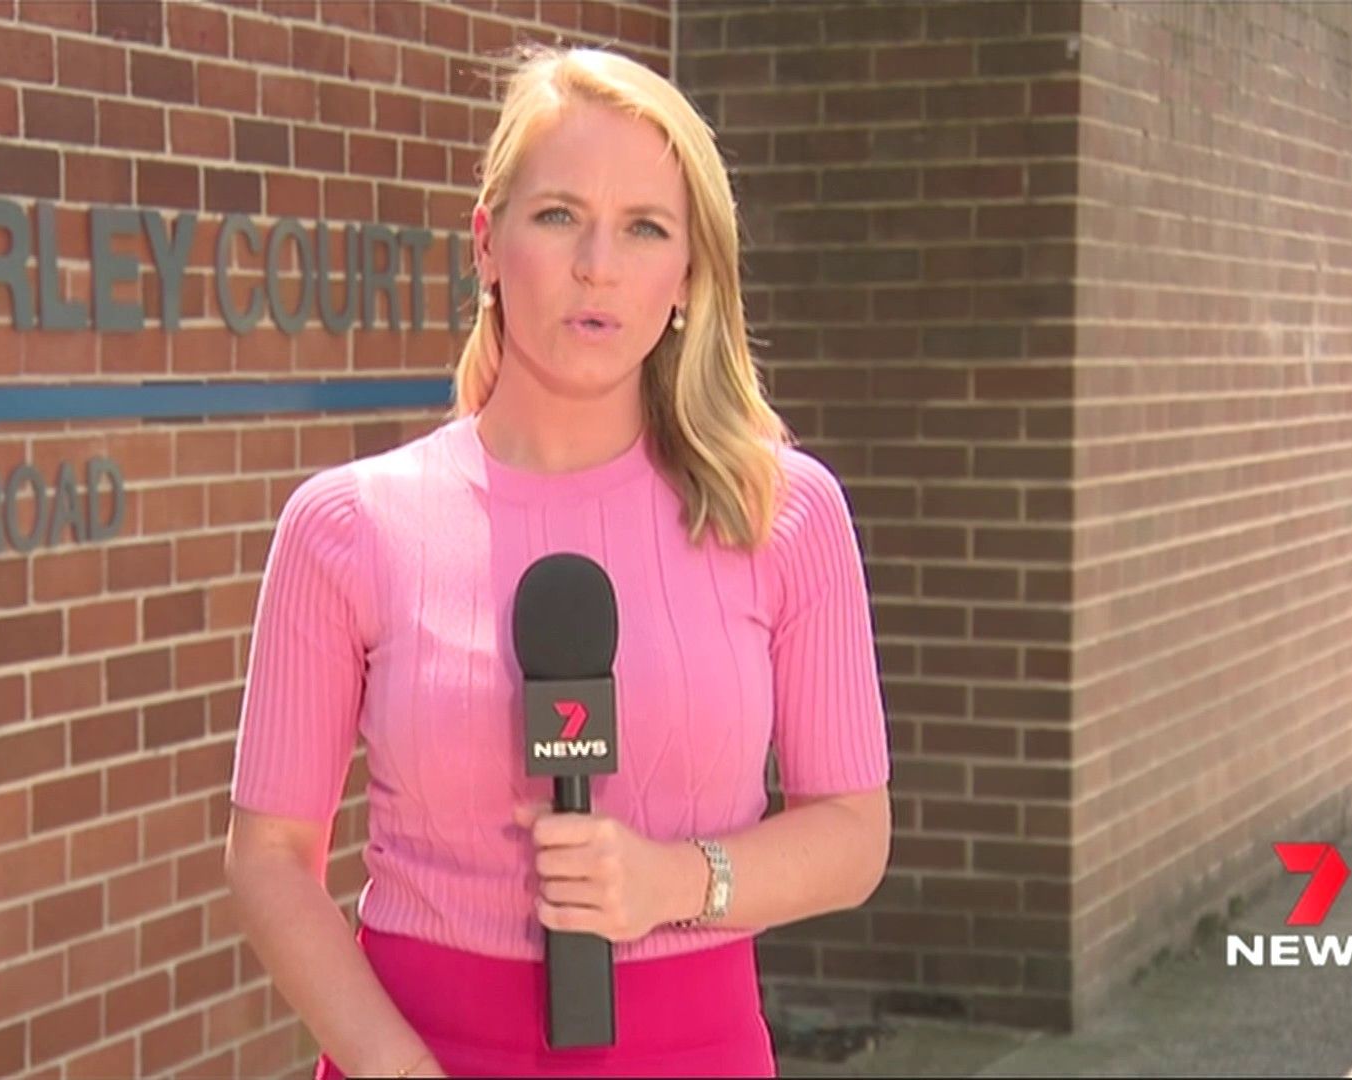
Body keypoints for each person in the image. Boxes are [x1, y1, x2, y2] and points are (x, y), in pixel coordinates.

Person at [221, 45, 892, 1079]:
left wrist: (673, 882)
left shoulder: (784, 515)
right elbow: (269, 858)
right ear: (486, 245)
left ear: (688, 276)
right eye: (558, 215)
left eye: (645, 227)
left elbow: (851, 833)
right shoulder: (347, 527)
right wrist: (400, 1071)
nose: (597, 264)